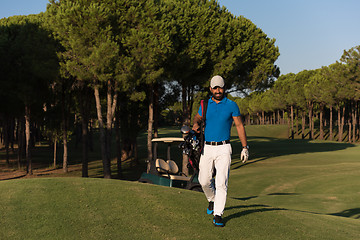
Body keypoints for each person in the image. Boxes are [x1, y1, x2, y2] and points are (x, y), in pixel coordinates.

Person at [192, 75, 249, 227]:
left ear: (224, 88)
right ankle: (212, 200)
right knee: (203, 180)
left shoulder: (231, 105)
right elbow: (197, 118)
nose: (218, 90)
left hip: (224, 147)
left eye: (220, 87)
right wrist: (195, 125)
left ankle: (218, 214)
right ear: (210, 89)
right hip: (207, 147)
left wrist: (245, 147)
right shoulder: (204, 104)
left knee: (221, 182)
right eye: (215, 87)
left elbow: (239, 126)